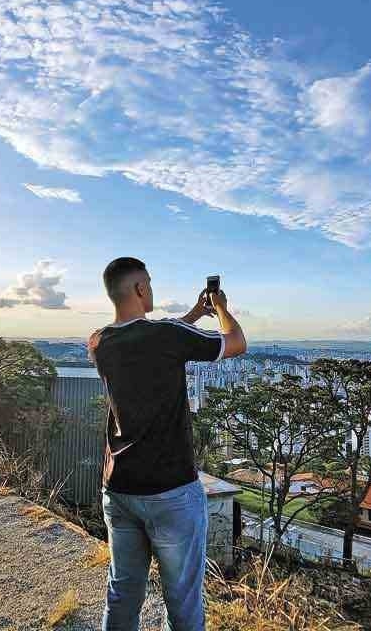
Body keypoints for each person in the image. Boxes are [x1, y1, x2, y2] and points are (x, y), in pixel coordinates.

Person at [88, 257, 247, 631]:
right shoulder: (167, 337)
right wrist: (220, 307)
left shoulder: (99, 343)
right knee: (182, 600)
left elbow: (155, 339)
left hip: (120, 489)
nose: (152, 289)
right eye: (150, 283)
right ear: (140, 289)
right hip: (171, 491)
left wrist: (193, 313)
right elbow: (236, 343)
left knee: (123, 591)